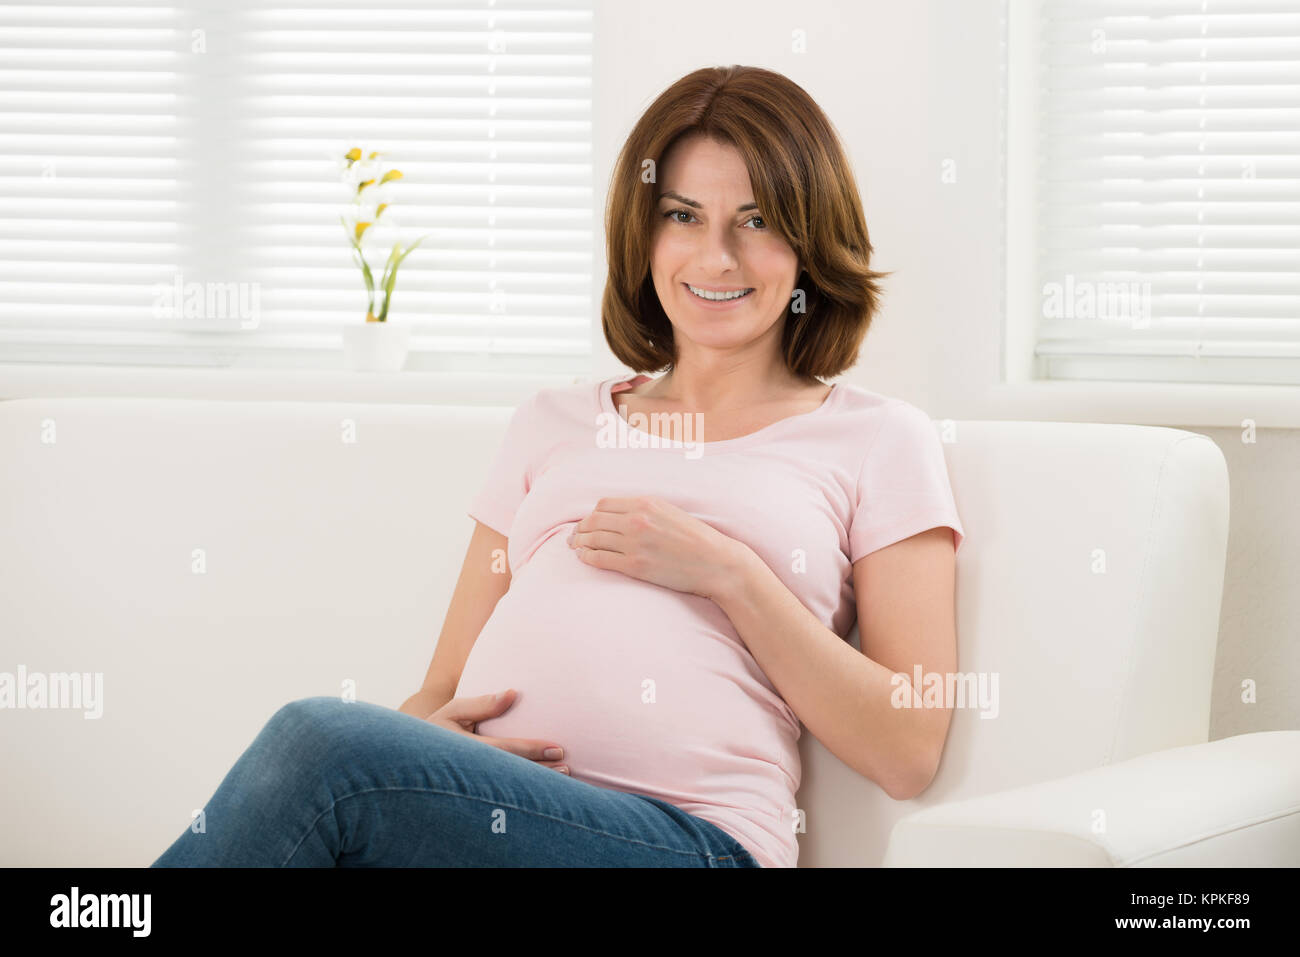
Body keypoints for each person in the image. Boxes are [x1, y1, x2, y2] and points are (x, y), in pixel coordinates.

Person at [152, 64, 964, 869]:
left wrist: (731, 574)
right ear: (643, 236)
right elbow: (438, 688)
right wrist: (423, 744)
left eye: (755, 221)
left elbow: (908, 746)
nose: (717, 257)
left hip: (692, 843)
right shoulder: (552, 422)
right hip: (483, 821)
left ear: (810, 239)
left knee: (317, 740)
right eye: (683, 215)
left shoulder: (877, 438)